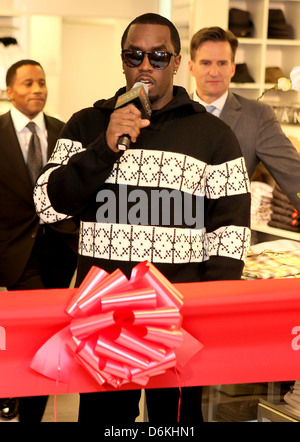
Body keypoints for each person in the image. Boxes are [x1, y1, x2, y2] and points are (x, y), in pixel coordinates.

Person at [34, 13, 251, 423]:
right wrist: (103, 146)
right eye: (135, 55)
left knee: (177, 424)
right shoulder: (86, 124)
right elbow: (47, 204)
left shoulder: (213, 135)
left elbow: (231, 234)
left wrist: (205, 315)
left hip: (178, 320)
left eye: (158, 56)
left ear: (175, 61)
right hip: (104, 318)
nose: (145, 65)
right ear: (122, 61)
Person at [0, 59, 78, 421]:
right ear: (9, 91)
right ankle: (14, 393)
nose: (37, 90)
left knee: (50, 333)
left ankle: (28, 408)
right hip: (15, 251)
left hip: (60, 249)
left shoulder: (63, 132)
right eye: (28, 83)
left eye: (42, 83)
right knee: (33, 332)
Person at [188, 26, 300, 212]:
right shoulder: (171, 112)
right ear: (191, 67)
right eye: (206, 63)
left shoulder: (256, 116)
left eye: (222, 63)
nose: (214, 72)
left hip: (228, 231)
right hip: (174, 231)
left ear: (233, 68)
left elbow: (294, 177)